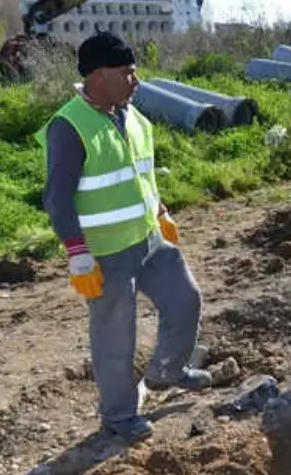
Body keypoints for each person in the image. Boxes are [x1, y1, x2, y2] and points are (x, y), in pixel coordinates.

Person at [35, 31, 212, 443]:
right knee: (116, 335)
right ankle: (117, 416)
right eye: (127, 73)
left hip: (148, 239)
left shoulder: (134, 116)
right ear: (98, 76)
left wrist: (161, 210)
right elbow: (57, 197)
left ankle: (168, 371)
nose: (136, 81)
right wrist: (78, 253)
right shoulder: (69, 126)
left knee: (185, 299)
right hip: (106, 252)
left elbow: (140, 172)